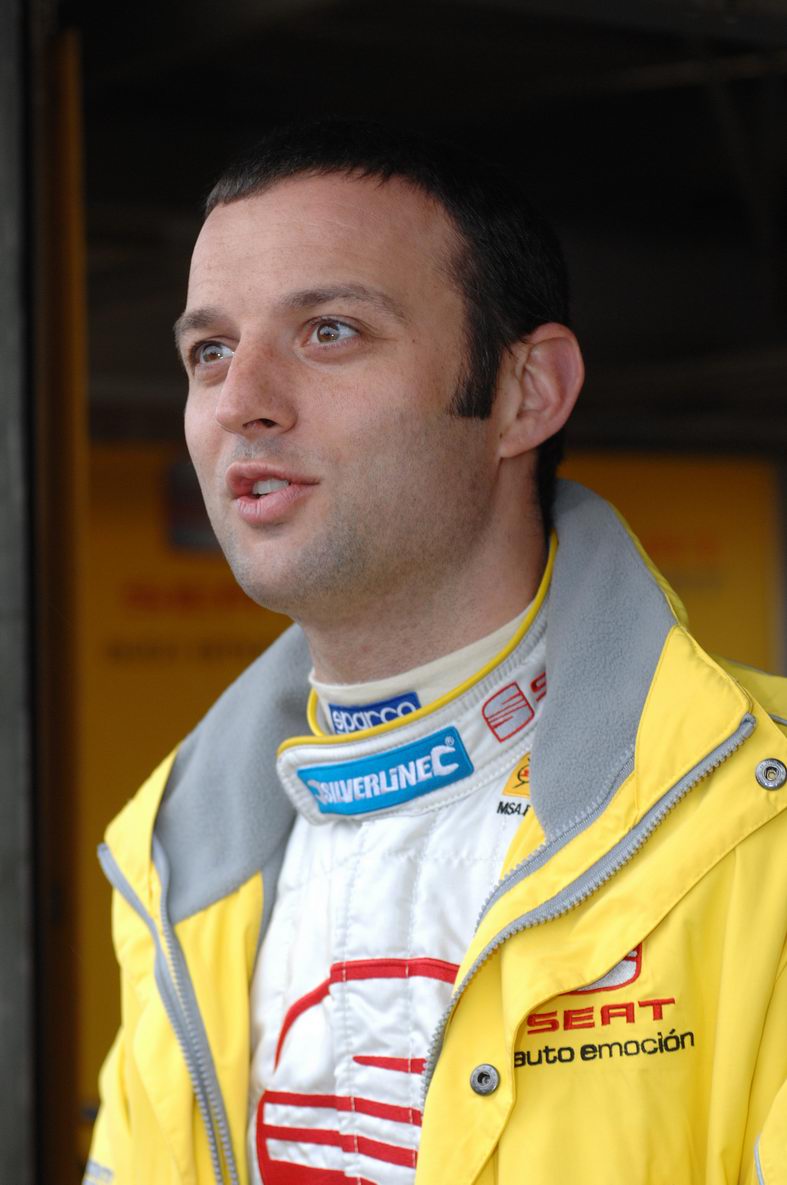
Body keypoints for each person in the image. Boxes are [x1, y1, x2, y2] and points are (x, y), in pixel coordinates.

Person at [85, 120, 787, 1185]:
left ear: (524, 393)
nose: (240, 402)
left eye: (329, 331)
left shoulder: (760, 822)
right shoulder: (172, 854)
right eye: (209, 351)